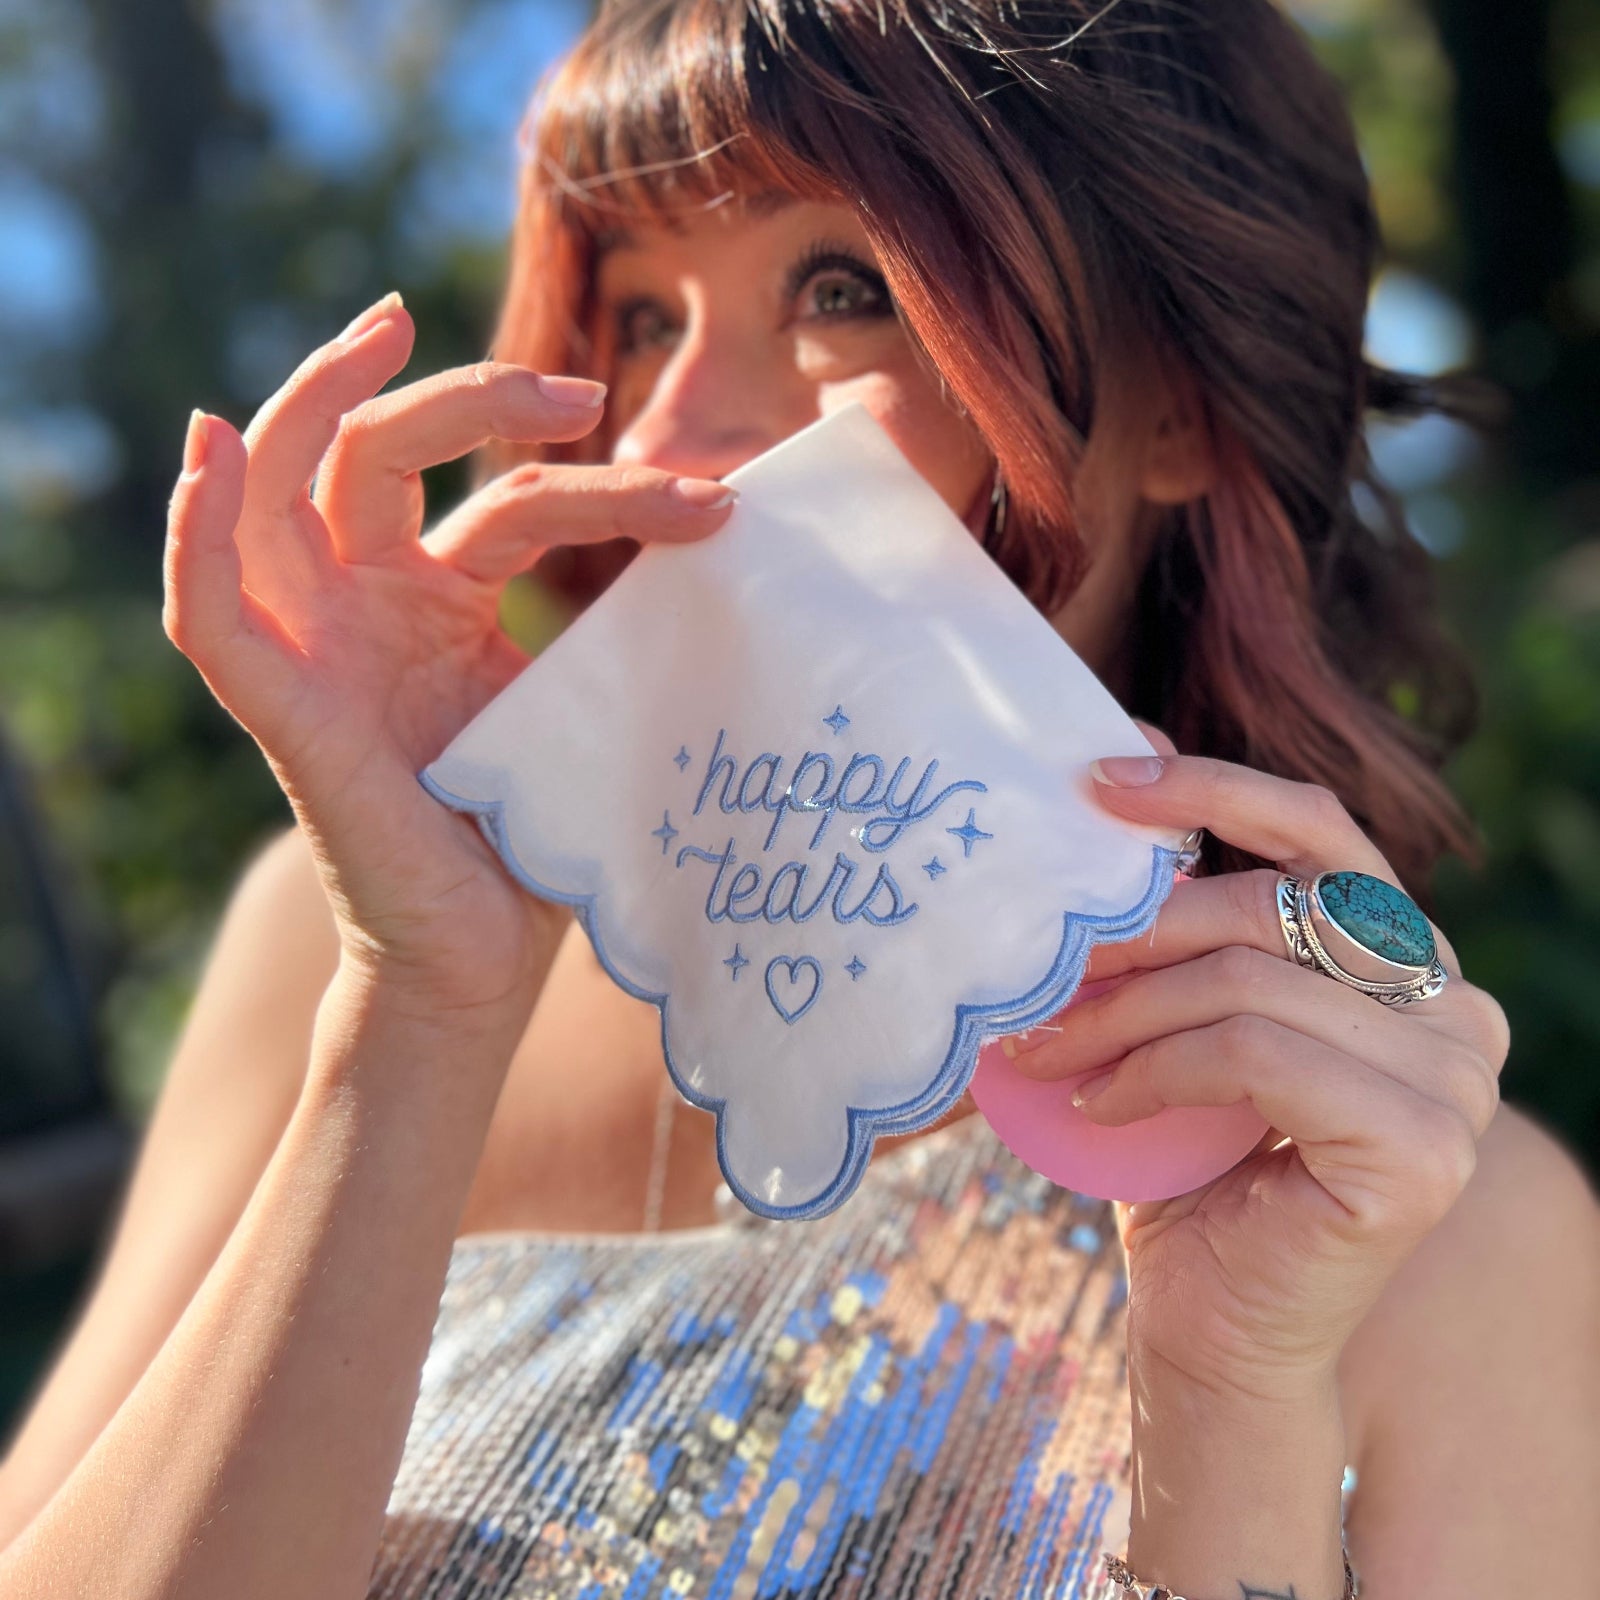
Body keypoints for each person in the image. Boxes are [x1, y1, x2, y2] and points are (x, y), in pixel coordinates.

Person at [1, 0, 1597, 1594]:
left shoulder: (1412, 1213)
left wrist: (1233, 1399)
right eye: (636, 318)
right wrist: (419, 1011)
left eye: (839, 291)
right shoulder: (342, 940)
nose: (673, 425)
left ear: (1176, 400)